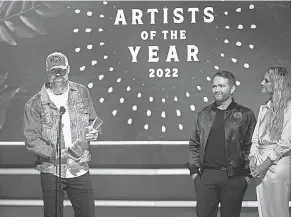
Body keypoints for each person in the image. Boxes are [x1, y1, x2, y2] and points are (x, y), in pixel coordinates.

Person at [23, 52, 100, 217]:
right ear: (47, 71)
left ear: (68, 70)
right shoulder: (34, 104)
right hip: (52, 171)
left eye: (61, 71)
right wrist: (55, 153)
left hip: (80, 169)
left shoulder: (81, 93)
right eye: (53, 71)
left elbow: (93, 121)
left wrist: (94, 131)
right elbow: (31, 140)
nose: (58, 75)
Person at [188, 70, 257, 217]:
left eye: (221, 86)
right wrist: (195, 173)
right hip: (206, 176)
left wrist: (246, 176)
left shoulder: (246, 114)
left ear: (232, 88)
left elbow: (252, 145)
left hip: (235, 178)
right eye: (214, 86)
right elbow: (194, 144)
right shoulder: (204, 114)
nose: (217, 90)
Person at [248, 67, 291, 217]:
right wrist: (252, 157)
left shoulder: (289, 107)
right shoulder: (264, 108)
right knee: (264, 210)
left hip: (276, 165)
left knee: (278, 209)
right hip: (260, 163)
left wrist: (264, 165)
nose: (262, 83)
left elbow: (286, 143)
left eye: (266, 80)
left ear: (277, 83)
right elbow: (256, 137)